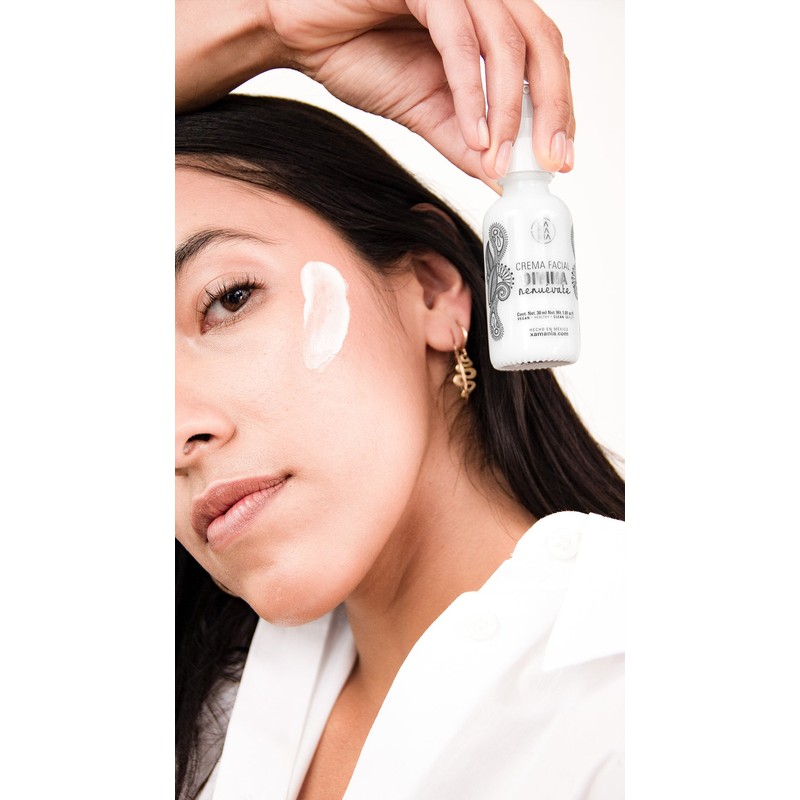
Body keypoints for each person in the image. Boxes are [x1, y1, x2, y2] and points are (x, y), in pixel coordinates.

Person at [176, 3, 624, 798]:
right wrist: (263, 22)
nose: (174, 430)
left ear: (431, 290)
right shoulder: (193, 712)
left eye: (229, 298)